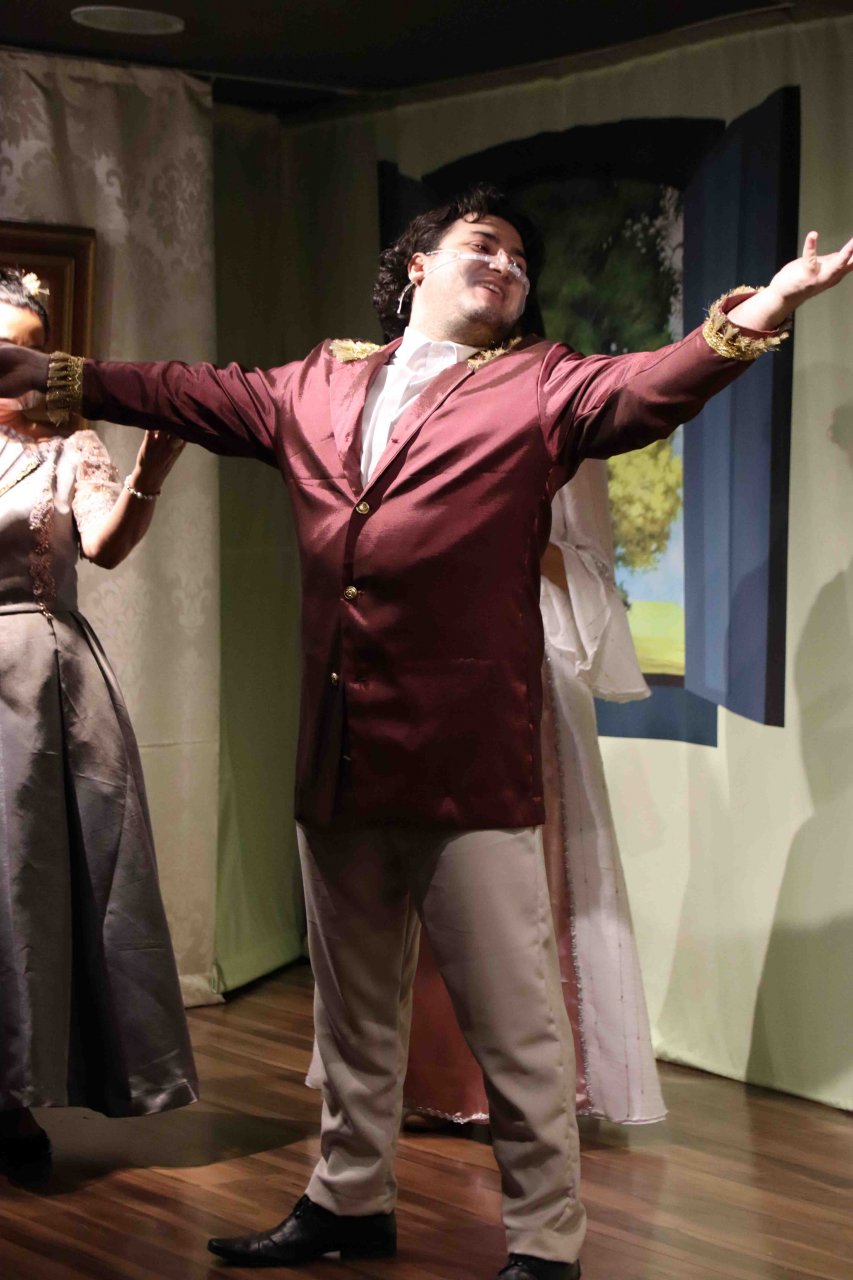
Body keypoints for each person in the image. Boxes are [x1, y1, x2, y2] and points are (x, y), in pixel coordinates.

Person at [1, 190, 849, 1279]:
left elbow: (649, 387)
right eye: (482, 244)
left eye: (521, 258)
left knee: (515, 1022)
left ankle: (545, 1239)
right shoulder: (316, 381)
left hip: (467, 755)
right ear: (416, 265)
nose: (506, 264)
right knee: (353, 1013)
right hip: (338, 746)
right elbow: (182, 390)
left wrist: (763, 309)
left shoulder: (543, 385)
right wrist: (48, 372)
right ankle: (348, 1197)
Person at [0, 268, 197, 1184]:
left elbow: (105, 546)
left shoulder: (68, 443)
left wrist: (149, 473)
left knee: (29, 886)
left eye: (24, 349)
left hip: (40, 680)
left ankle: (13, 1096)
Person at [403, 461, 665, 1130]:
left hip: (526, 673)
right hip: (423, 668)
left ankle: (522, 1090)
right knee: (426, 876)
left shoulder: (564, 441)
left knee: (519, 887)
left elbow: (590, 573)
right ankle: (432, 1080)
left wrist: (502, 529)